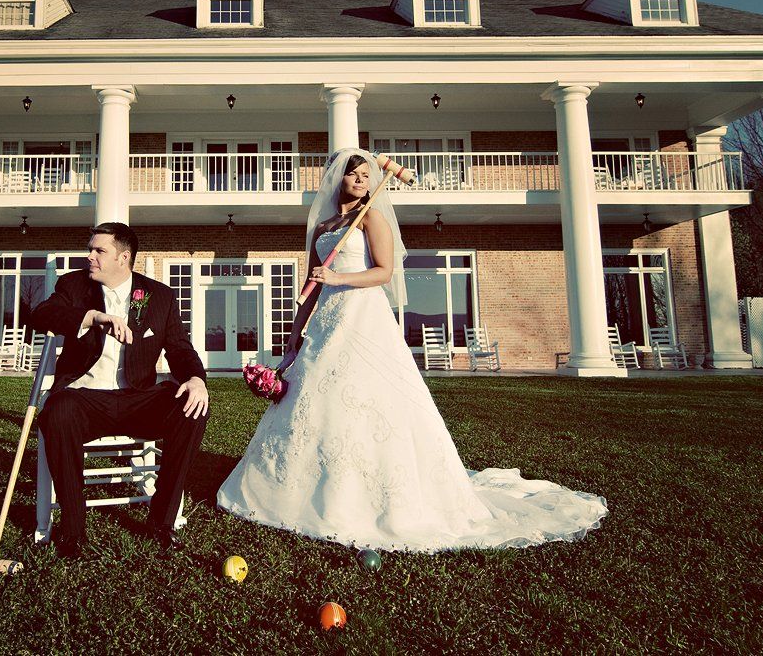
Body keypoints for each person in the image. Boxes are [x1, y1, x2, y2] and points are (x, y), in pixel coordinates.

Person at [216, 149, 607, 552]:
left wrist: (339, 276)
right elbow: (312, 289)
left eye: (367, 174)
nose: (363, 179)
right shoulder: (323, 228)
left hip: (362, 320)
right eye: (354, 173)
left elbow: (384, 272)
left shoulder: (370, 217)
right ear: (337, 179)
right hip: (325, 324)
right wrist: (295, 336)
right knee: (313, 401)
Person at [33, 222, 209, 558]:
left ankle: (162, 523)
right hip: (83, 399)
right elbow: (44, 314)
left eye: (99, 251)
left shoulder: (157, 296)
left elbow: (179, 348)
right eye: (90, 249)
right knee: (58, 411)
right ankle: (72, 532)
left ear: (123, 258)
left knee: (191, 407)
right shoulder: (74, 285)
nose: (90, 257)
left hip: (136, 398)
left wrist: (196, 379)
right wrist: (93, 318)